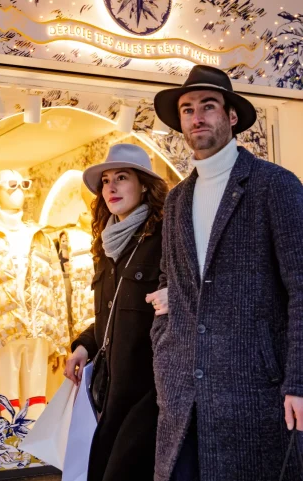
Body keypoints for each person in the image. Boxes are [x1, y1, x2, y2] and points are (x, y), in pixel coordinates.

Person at [151, 64, 303, 481]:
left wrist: (299, 381)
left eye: (208, 106)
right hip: (184, 394)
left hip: (254, 391)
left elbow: (301, 289)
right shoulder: (178, 199)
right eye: (187, 109)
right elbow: (169, 280)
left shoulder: (275, 185)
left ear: (231, 116)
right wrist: (164, 348)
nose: (196, 117)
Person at [64, 143, 168, 481]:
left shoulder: (163, 238)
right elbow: (111, 315)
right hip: (111, 392)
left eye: (121, 178)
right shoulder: (107, 247)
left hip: (150, 393)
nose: (110, 187)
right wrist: (84, 345)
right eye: (105, 180)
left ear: (144, 185)